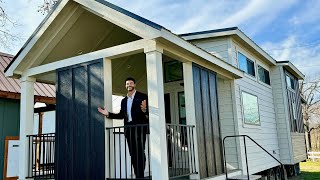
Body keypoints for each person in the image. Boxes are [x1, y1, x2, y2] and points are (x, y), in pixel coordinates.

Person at [98, 77, 149, 178]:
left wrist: (144, 110)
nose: (129, 85)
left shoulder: (143, 96)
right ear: (125, 86)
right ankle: (138, 175)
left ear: (134, 85)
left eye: (131, 83)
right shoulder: (124, 100)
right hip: (129, 129)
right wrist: (108, 113)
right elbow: (121, 115)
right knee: (133, 153)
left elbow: (149, 112)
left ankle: (141, 175)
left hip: (139, 128)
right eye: (127, 84)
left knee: (139, 152)